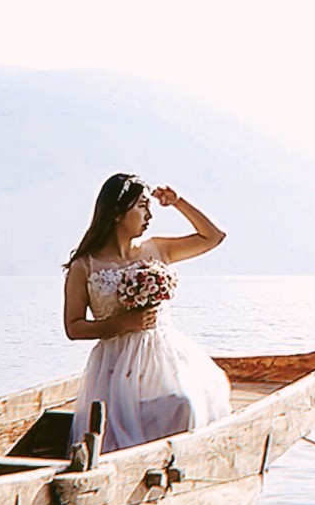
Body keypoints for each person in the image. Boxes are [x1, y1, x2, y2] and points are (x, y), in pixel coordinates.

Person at [63, 173, 231, 452]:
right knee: (116, 439)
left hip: (164, 357)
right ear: (117, 212)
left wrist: (178, 202)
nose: (149, 215)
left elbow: (213, 237)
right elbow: (73, 327)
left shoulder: (157, 249)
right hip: (115, 366)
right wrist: (122, 324)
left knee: (184, 405)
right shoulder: (85, 265)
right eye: (142, 206)